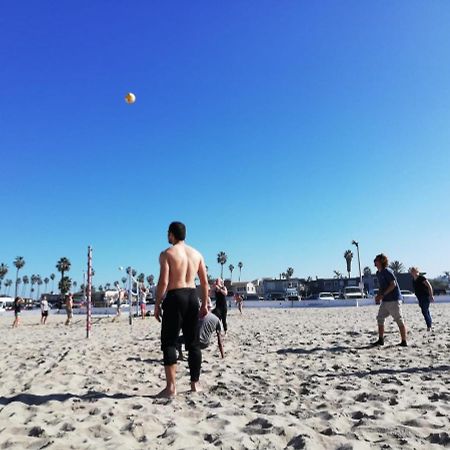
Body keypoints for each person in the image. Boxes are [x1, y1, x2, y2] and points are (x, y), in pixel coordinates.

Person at [154, 221, 209, 398]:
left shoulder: (167, 254)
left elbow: (163, 282)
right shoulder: (197, 254)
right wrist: (205, 303)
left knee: (169, 341)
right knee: (193, 343)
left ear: (171, 234)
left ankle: (171, 388)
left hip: (175, 297)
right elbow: (204, 282)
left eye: (168, 233)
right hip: (193, 296)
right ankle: (195, 384)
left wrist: (157, 304)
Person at [372, 254, 407, 347]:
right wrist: (378, 296)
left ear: (381, 261)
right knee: (380, 318)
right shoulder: (378, 273)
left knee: (398, 320)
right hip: (385, 300)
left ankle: (404, 341)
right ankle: (381, 340)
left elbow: (393, 284)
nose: (374, 261)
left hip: (394, 300)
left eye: (376, 260)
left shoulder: (387, 271)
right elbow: (381, 286)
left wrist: (382, 295)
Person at [410, 267, 434, 331]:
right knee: (426, 311)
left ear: (417, 271)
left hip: (425, 297)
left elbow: (429, 286)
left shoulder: (422, 278)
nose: (412, 272)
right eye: (412, 271)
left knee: (424, 311)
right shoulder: (413, 280)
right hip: (419, 298)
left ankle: (429, 326)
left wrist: (431, 295)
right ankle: (430, 324)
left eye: (414, 271)